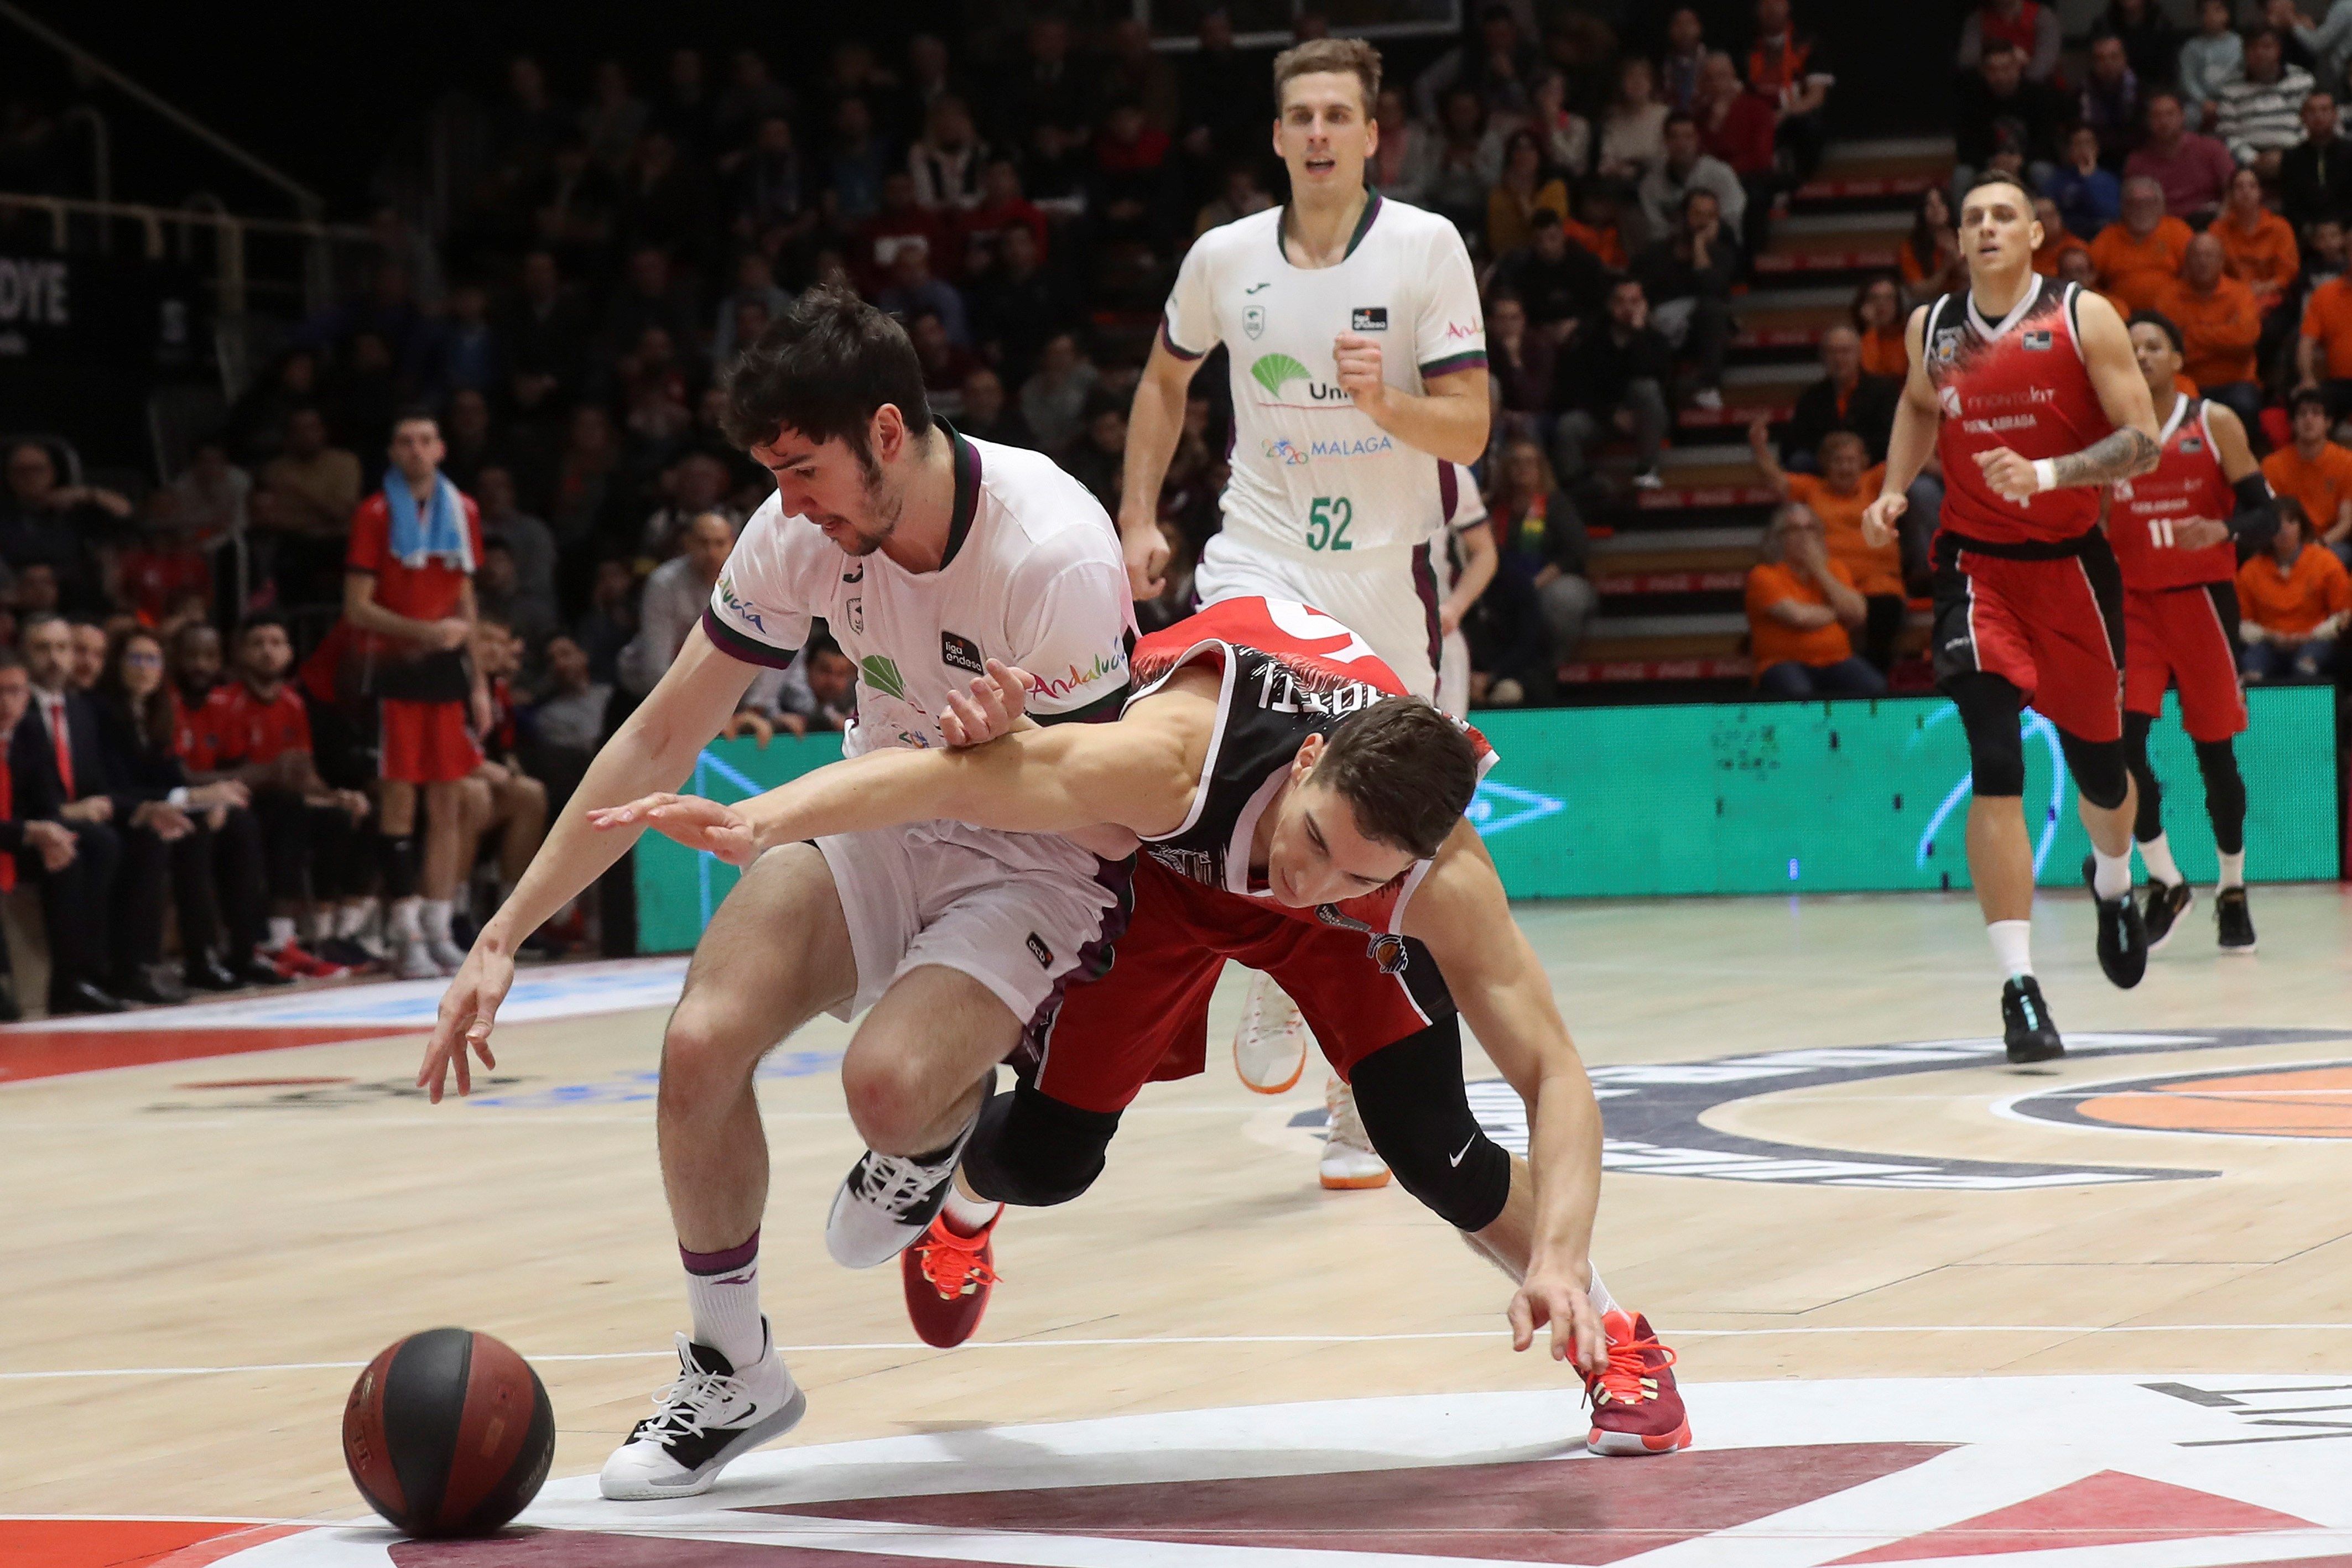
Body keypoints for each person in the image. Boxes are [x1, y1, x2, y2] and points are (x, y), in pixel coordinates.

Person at [598, 595, 1692, 1458]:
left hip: (1328, 910)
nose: (1307, 884)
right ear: (1305, 764)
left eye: (1358, 876)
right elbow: (952, 780)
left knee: (1433, 1145)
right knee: (1050, 1157)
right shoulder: (1166, 760)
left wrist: (1557, 1256)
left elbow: (1555, 1076)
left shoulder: (1429, 875)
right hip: (1163, 873)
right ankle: (962, 1201)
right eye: (1313, 845)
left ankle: (1613, 1334)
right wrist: (758, 819)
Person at [417, 285, 1138, 1502]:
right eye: (776, 477)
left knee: (885, 1089)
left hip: (1039, 847)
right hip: (878, 810)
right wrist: (503, 933)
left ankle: (931, 1138)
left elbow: (1121, 814)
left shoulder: (1052, 549)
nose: (790, 503)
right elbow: (662, 733)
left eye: (805, 471)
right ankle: (731, 1368)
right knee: (700, 1041)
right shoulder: (800, 528)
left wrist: (1012, 756)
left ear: (888, 432)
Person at [1115, 38, 1490, 1183]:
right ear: (1277, 136)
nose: (1319, 132)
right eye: (1301, 116)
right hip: (1260, 559)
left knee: (1383, 831)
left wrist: (1391, 404)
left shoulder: (1425, 247)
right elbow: (1163, 380)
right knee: (1218, 764)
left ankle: (1353, 1095)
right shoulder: (1222, 257)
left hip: (1382, 573)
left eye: (1339, 114)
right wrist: (1135, 515)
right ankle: (1268, 952)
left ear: (1373, 135)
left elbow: (1470, 427)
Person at [1861, 170, 2161, 1064]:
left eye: (2004, 215)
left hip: (2072, 570)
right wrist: (1892, 488)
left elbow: (2142, 441)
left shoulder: (2082, 317)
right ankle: (2019, 987)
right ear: (1957, 240)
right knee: (1995, 761)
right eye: (1972, 218)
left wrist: (2048, 474)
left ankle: (2114, 881)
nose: (1987, 227)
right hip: (1975, 570)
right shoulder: (1934, 329)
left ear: (2035, 233)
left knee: (2103, 778)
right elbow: (1918, 404)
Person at [2108, 312, 2270, 958]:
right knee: (2120, 746)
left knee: (2214, 754)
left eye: (2153, 346)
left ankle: (2232, 889)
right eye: (2132, 348)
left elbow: (2267, 513)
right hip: (2133, 607)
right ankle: (2166, 880)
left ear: (2177, 358)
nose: (2142, 355)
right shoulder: (2109, 435)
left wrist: (2223, 530)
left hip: (2201, 603)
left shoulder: (2213, 422)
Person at [342, 410, 487, 982]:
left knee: (449, 804)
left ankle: (439, 927)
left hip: (447, 672)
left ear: (441, 449)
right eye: (405, 442)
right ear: (393, 453)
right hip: (394, 668)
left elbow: (465, 599)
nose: (416, 450)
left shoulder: (463, 509)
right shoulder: (374, 514)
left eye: (425, 440)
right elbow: (357, 608)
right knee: (399, 803)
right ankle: (405, 934)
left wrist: (478, 681)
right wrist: (425, 633)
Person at [12, 614, 197, 1012]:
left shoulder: (80, 710)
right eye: (42, 648)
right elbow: (16, 794)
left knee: (147, 834)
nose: (55, 658)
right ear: (23, 654)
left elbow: (101, 786)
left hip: (79, 821)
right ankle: (75, 979)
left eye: (62, 648)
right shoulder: (14, 710)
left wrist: (146, 809)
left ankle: (134, 968)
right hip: (28, 827)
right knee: (96, 844)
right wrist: (63, 812)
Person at [189, 615, 377, 979]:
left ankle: (330, 933)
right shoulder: (221, 702)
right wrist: (268, 772)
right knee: (288, 810)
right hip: (243, 804)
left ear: (290, 653)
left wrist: (335, 796)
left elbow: (305, 774)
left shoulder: (293, 702)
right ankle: (278, 938)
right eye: (258, 643)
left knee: (349, 813)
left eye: (276, 643)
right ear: (240, 653)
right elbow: (203, 773)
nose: (268, 651)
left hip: (285, 802)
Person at [91, 627, 276, 993]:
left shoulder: (157, 710)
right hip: (121, 811)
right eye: (136, 658)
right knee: (168, 830)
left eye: (153, 660)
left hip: (151, 805)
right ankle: (144, 965)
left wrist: (205, 801)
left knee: (238, 822)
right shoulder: (102, 712)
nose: (145, 668)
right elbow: (117, 786)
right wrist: (192, 799)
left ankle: (239, 951)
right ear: (117, 664)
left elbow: (170, 776)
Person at [1751, 424, 1906, 669]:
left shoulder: (1876, 484)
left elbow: (1905, 458)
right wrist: (1759, 448)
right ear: (1825, 464)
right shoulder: (1812, 489)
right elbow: (1776, 480)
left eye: (1851, 461)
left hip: (1878, 581)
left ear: (1864, 462)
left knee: (1886, 608)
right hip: (1829, 579)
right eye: (1838, 461)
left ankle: (1871, 677)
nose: (1845, 468)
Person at [2159, 233, 2266, 426]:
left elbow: (2245, 338)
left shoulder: (2241, 293)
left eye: (2209, 256)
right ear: (2186, 262)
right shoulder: (2168, 297)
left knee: (2246, 405)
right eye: (2197, 256)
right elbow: (2173, 351)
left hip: (2236, 382)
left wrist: (2191, 334)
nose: (2203, 262)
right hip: (2186, 382)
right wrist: (2226, 339)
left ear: (2222, 261)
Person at [2238, 498, 2352, 678]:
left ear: (2302, 526)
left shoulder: (2326, 562)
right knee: (2252, 673)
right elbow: (2243, 624)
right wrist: (2270, 636)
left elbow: (2343, 616)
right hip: (2267, 642)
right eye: (2277, 524)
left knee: (2305, 669)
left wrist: (2311, 636)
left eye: (2291, 522)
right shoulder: (2250, 570)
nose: (2284, 530)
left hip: (2316, 639)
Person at [2262, 389, 2352, 553]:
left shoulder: (2347, 462)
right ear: (2293, 423)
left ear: (2328, 422)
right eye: (2302, 414)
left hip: (2329, 543)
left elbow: (2346, 522)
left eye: (2316, 413)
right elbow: (2270, 517)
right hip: (2287, 543)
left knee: (2339, 554)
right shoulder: (2273, 465)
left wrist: (2319, 545)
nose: (2308, 419)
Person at [2091, 176, 2195, 315]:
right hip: (2121, 317)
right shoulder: (2107, 237)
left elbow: (2197, 276)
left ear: (2161, 205)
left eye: (2148, 202)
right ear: (2123, 207)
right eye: (2134, 203)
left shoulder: (2178, 231)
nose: (2141, 209)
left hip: (2172, 314)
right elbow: (2087, 279)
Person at [2213, 29, 2313, 174]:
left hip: (2296, 155)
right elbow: (2227, 134)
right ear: (2245, 53)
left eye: (2267, 47)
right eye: (2253, 48)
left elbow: (2311, 124)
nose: (2260, 53)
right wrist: (2253, 159)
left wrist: (2291, 157)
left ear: (2278, 50)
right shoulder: (2231, 88)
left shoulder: (2302, 80)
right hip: (2248, 163)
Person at [2280, 91, 2352, 230]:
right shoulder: (2292, 158)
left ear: (2335, 115)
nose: (2318, 116)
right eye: (2312, 111)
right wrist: (2312, 231)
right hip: (2308, 232)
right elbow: (2291, 205)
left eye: (2324, 110)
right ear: (2303, 117)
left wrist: (2343, 229)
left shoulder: (2349, 153)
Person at [2042, 124, 2120, 244]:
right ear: (2070, 150)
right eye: (2078, 144)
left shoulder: (2109, 180)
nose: (2083, 149)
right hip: (2067, 240)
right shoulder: (2058, 180)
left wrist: (2089, 179)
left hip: (2101, 239)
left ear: (2096, 148)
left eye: (2088, 143)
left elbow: (2109, 214)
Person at [2179, 0, 2245, 128]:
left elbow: (2246, 74)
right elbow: (2188, 80)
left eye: (2217, 10)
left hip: (2235, 99)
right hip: (2201, 102)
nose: (2211, 16)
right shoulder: (2192, 47)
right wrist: (2204, 101)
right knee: (2187, 116)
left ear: (2227, 14)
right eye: (2205, 12)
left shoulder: (2240, 43)